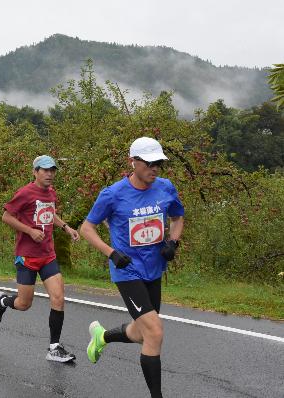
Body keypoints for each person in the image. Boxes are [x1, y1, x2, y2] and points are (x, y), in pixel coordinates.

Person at [79, 137, 184, 398]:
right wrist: (111, 253)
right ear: (133, 162)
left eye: (158, 163)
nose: (155, 168)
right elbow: (87, 228)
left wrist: (173, 242)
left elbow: (177, 217)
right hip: (127, 271)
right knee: (155, 331)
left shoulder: (166, 188)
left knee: (141, 332)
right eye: (149, 163)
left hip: (154, 269)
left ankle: (101, 337)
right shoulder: (113, 194)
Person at [0, 155, 80, 363]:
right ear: (35, 171)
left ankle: (54, 348)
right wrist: (29, 231)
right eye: (45, 170)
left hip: (48, 255)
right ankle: (3, 301)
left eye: (52, 170)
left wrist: (66, 227)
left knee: (58, 298)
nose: (49, 174)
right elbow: (6, 216)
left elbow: (50, 213)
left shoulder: (51, 192)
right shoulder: (25, 192)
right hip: (27, 256)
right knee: (24, 304)